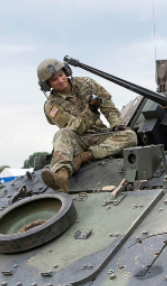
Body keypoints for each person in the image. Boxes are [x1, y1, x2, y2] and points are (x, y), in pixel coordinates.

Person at [37, 58, 137, 193]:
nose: (60, 80)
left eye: (61, 75)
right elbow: (75, 127)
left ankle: (85, 157)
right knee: (61, 134)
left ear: (65, 72)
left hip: (100, 137)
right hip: (78, 142)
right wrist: (90, 110)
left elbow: (107, 104)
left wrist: (117, 124)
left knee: (130, 136)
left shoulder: (86, 83)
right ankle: (61, 176)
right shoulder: (52, 106)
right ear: (47, 85)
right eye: (54, 79)